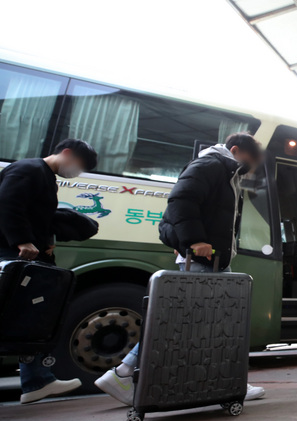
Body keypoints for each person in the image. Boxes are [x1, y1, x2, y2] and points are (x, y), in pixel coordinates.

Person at [95, 133, 266, 404]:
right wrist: (193, 240)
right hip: (203, 260)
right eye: (249, 161)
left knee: (209, 324)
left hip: (215, 261)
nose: (249, 169)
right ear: (235, 150)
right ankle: (124, 372)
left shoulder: (223, 171)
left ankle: (224, 380)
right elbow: (180, 200)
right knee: (186, 322)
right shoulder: (211, 165)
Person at [0, 139, 98, 404]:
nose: (77, 172)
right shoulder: (29, 169)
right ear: (66, 153)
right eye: (79, 165)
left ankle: (37, 380)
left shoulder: (44, 177)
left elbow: (40, 215)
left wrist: (47, 240)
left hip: (30, 256)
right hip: (12, 254)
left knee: (32, 317)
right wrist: (21, 240)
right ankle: (36, 379)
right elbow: (7, 204)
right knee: (16, 315)